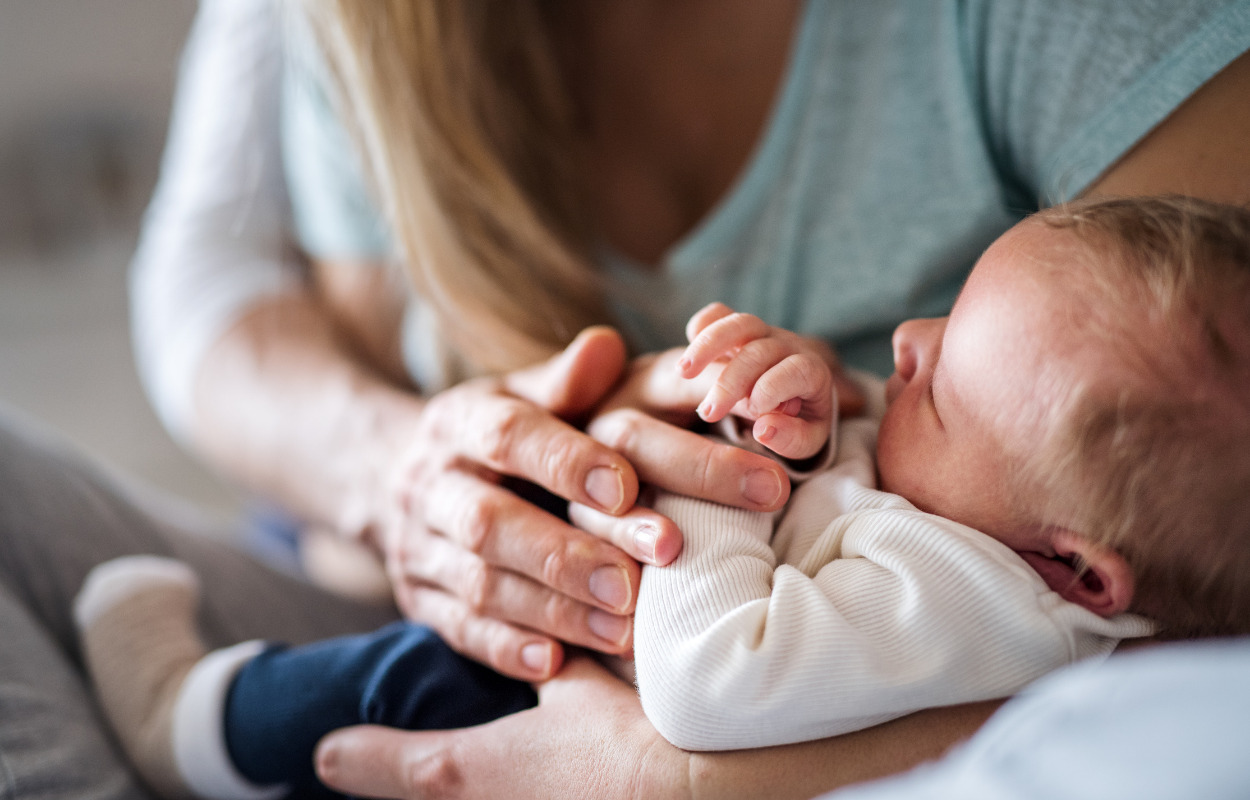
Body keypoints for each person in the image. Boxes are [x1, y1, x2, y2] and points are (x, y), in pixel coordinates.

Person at [3, 0, 1249, 797]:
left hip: (580, 681)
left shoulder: (980, 586)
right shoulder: (979, 503)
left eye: (942, 380)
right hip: (509, 592)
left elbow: (720, 673)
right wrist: (799, 401)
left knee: (387, 689)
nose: (902, 346)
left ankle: (191, 723)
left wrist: (707, 476)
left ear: (1079, 570)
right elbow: (218, 309)